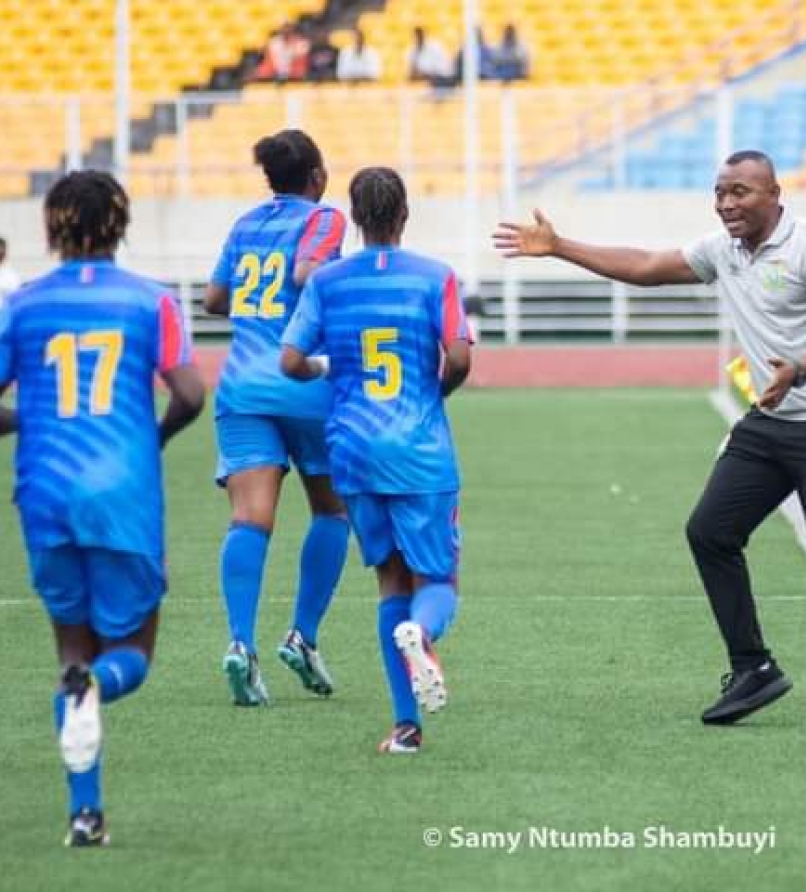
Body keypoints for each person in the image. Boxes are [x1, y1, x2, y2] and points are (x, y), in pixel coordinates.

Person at [495, 150, 806, 728]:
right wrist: (560, 246)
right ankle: (753, 667)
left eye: (740, 192)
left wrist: (797, 369)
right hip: (771, 418)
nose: (727, 202)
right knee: (711, 531)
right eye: (721, 191)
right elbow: (649, 266)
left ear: (774, 194)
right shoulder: (721, 249)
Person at [0, 170, 206, 846]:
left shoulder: (22, 306)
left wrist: (26, 421)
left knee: (69, 647)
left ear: (50, 227)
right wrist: (151, 437)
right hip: (122, 489)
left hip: (45, 489)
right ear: (122, 224)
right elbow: (190, 393)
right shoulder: (151, 302)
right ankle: (98, 687)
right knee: (131, 652)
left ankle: (85, 816)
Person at [281, 167, 471, 753]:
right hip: (418, 447)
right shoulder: (435, 277)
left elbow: (291, 360)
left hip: (354, 450)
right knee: (436, 580)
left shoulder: (328, 281)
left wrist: (325, 369)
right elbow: (460, 357)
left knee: (390, 581)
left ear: (356, 219)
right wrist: (434, 393)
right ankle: (426, 631)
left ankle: (405, 727)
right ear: (404, 214)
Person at [204, 130, 350, 707]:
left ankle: (241, 645)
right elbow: (307, 273)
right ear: (316, 175)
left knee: (250, 518)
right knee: (332, 509)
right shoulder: (324, 218)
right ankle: (303, 636)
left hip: (241, 384)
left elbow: (216, 299)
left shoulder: (245, 224)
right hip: (303, 379)